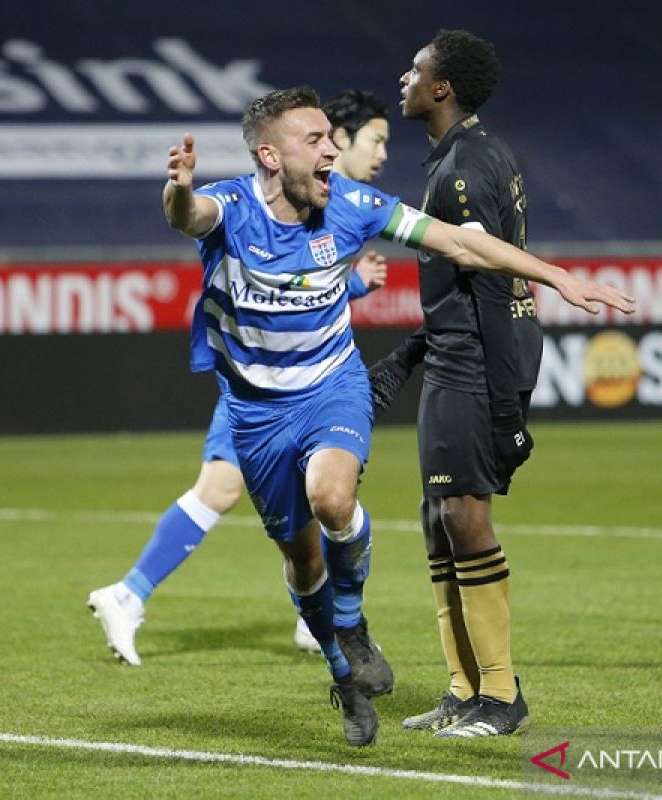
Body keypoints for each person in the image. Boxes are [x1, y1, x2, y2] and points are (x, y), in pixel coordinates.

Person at [160, 85, 632, 746]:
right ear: (270, 155)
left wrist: (556, 276)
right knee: (300, 563)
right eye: (315, 140)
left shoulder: (352, 204)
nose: (332, 148)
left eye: (332, 137)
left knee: (330, 497)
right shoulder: (234, 207)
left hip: (331, 388)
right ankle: (340, 665)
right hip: (256, 412)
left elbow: (459, 244)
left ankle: (350, 619)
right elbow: (188, 214)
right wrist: (178, 189)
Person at [86, 91, 395, 700]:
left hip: (300, 384)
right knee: (225, 489)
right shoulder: (294, 195)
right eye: (375, 140)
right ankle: (129, 592)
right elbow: (229, 242)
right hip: (264, 392)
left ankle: (137, 594)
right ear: (340, 137)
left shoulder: (339, 202)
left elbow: (304, 286)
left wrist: (353, 285)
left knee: (259, 494)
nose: (381, 154)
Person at [371, 29, 569, 739]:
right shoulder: (467, 157)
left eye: (416, 68)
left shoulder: (462, 169)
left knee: (465, 516)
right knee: (439, 517)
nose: (406, 76)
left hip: (477, 366)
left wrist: (508, 405)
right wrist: (408, 355)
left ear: (442, 87)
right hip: (457, 357)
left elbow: (493, 290)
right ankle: (463, 690)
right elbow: (462, 288)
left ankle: (501, 696)